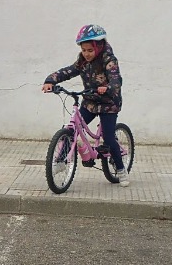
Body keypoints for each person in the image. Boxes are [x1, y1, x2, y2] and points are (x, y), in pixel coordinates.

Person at [41, 22, 130, 185]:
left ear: (99, 46)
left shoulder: (109, 60)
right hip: (90, 101)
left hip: (109, 103)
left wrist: (108, 87)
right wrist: (50, 80)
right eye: (83, 50)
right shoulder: (82, 61)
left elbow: (116, 79)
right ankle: (61, 161)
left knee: (109, 139)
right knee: (71, 128)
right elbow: (68, 71)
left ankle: (121, 169)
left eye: (90, 50)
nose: (86, 54)